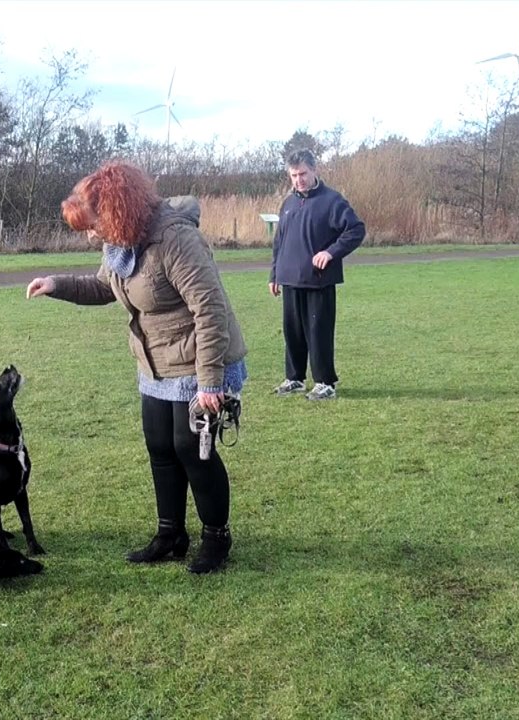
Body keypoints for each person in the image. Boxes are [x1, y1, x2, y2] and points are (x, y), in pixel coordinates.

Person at [26, 161, 247, 574]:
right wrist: (56, 284)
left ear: (117, 210)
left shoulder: (175, 238)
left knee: (190, 450)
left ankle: (216, 537)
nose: (92, 235)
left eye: (93, 225)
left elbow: (211, 309)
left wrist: (210, 382)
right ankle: (170, 535)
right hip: (156, 363)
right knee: (160, 447)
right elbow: (102, 287)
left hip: (201, 361)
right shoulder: (121, 245)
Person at [268, 148, 365, 401]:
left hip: (319, 281)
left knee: (318, 332)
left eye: (303, 173)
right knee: (293, 332)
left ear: (314, 170)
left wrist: (331, 253)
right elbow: (280, 241)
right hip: (289, 279)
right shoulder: (288, 203)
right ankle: (295, 379)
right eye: (293, 175)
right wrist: (274, 274)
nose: (298, 180)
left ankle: (325, 382)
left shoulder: (332, 201)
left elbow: (355, 230)